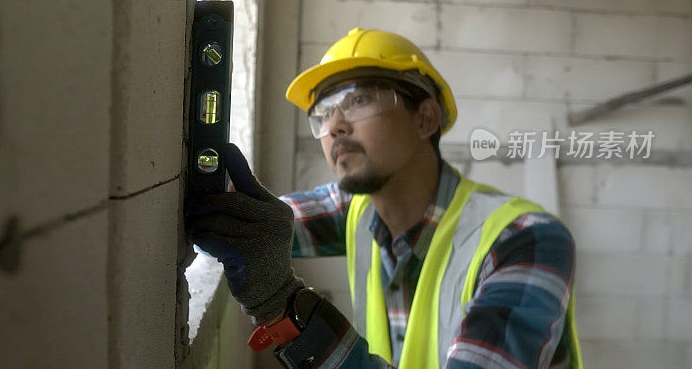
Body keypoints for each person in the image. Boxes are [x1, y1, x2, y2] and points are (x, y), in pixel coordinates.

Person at [187, 28, 583, 368]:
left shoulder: (523, 240)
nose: (335, 126)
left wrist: (280, 301)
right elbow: (256, 225)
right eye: (322, 113)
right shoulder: (356, 209)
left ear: (425, 118)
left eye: (358, 100)